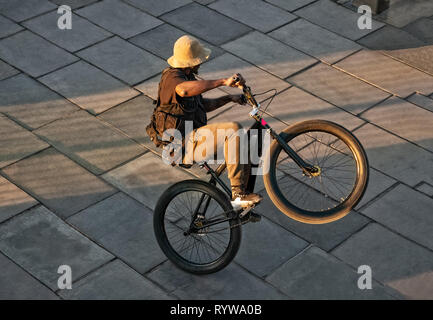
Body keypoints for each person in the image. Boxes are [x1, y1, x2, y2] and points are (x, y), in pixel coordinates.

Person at [147, 35, 262, 215]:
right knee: (233, 129)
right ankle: (238, 194)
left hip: (193, 137)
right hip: (180, 145)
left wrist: (228, 98)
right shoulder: (172, 77)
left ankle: (244, 202)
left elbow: (203, 106)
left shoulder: (188, 76)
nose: (200, 63)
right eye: (198, 60)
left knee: (247, 140)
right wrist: (223, 82)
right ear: (191, 62)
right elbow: (183, 90)